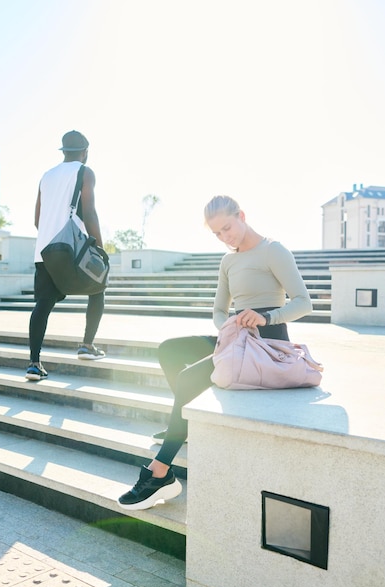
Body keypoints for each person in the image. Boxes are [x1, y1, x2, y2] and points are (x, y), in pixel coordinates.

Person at [118, 194, 313, 510]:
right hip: (236, 338)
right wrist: (228, 328)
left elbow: (304, 302)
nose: (225, 237)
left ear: (242, 215)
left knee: (188, 378)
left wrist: (266, 317)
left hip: (266, 341)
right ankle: (185, 425)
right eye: (217, 234)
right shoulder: (228, 261)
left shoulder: (273, 250)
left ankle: (160, 473)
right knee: (169, 350)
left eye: (227, 228)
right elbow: (219, 310)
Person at [26, 130, 106, 381]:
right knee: (98, 286)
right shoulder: (85, 171)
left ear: (63, 152)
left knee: (43, 304)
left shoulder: (46, 176)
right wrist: (100, 249)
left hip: (45, 251)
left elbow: (37, 219)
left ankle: (34, 363)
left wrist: (51, 238)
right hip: (72, 247)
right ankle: (87, 345)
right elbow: (89, 212)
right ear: (85, 152)